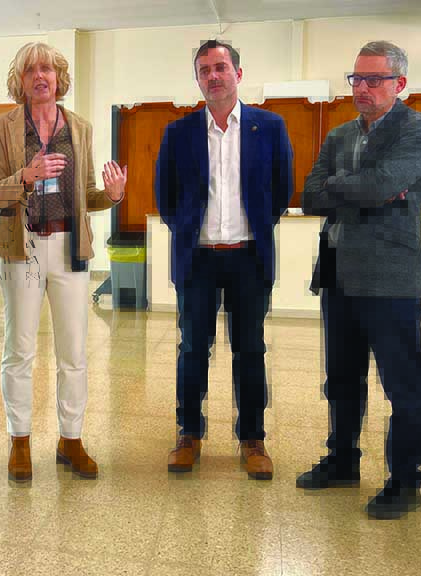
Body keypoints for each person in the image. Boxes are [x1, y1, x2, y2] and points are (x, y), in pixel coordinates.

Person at [298, 41, 421, 520]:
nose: (362, 88)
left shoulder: (417, 129)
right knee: (341, 378)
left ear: (400, 84)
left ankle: (406, 481)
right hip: (338, 273)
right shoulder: (339, 135)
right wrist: (365, 190)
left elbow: (383, 183)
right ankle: (343, 460)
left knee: (403, 384)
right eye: (356, 78)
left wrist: (346, 187)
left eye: (374, 79)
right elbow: (310, 196)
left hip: (390, 277)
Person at [0, 42, 127, 482]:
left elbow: (86, 195)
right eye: (30, 70)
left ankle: (71, 440)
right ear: (20, 80)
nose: (40, 76)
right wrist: (25, 177)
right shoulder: (2, 126)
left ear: (59, 77)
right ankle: (20, 440)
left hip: (69, 247)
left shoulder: (79, 127)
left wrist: (113, 196)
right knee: (20, 349)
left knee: (74, 350)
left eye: (47, 68)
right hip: (22, 245)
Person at [156, 39, 293, 480]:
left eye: (220, 67)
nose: (212, 76)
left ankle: (252, 438)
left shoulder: (268, 127)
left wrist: (252, 229)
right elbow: (165, 195)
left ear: (238, 73)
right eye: (204, 70)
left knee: (250, 349)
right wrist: (188, 229)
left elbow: (282, 189)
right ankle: (189, 434)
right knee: (193, 348)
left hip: (248, 258)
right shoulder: (179, 132)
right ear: (197, 79)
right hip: (197, 260)